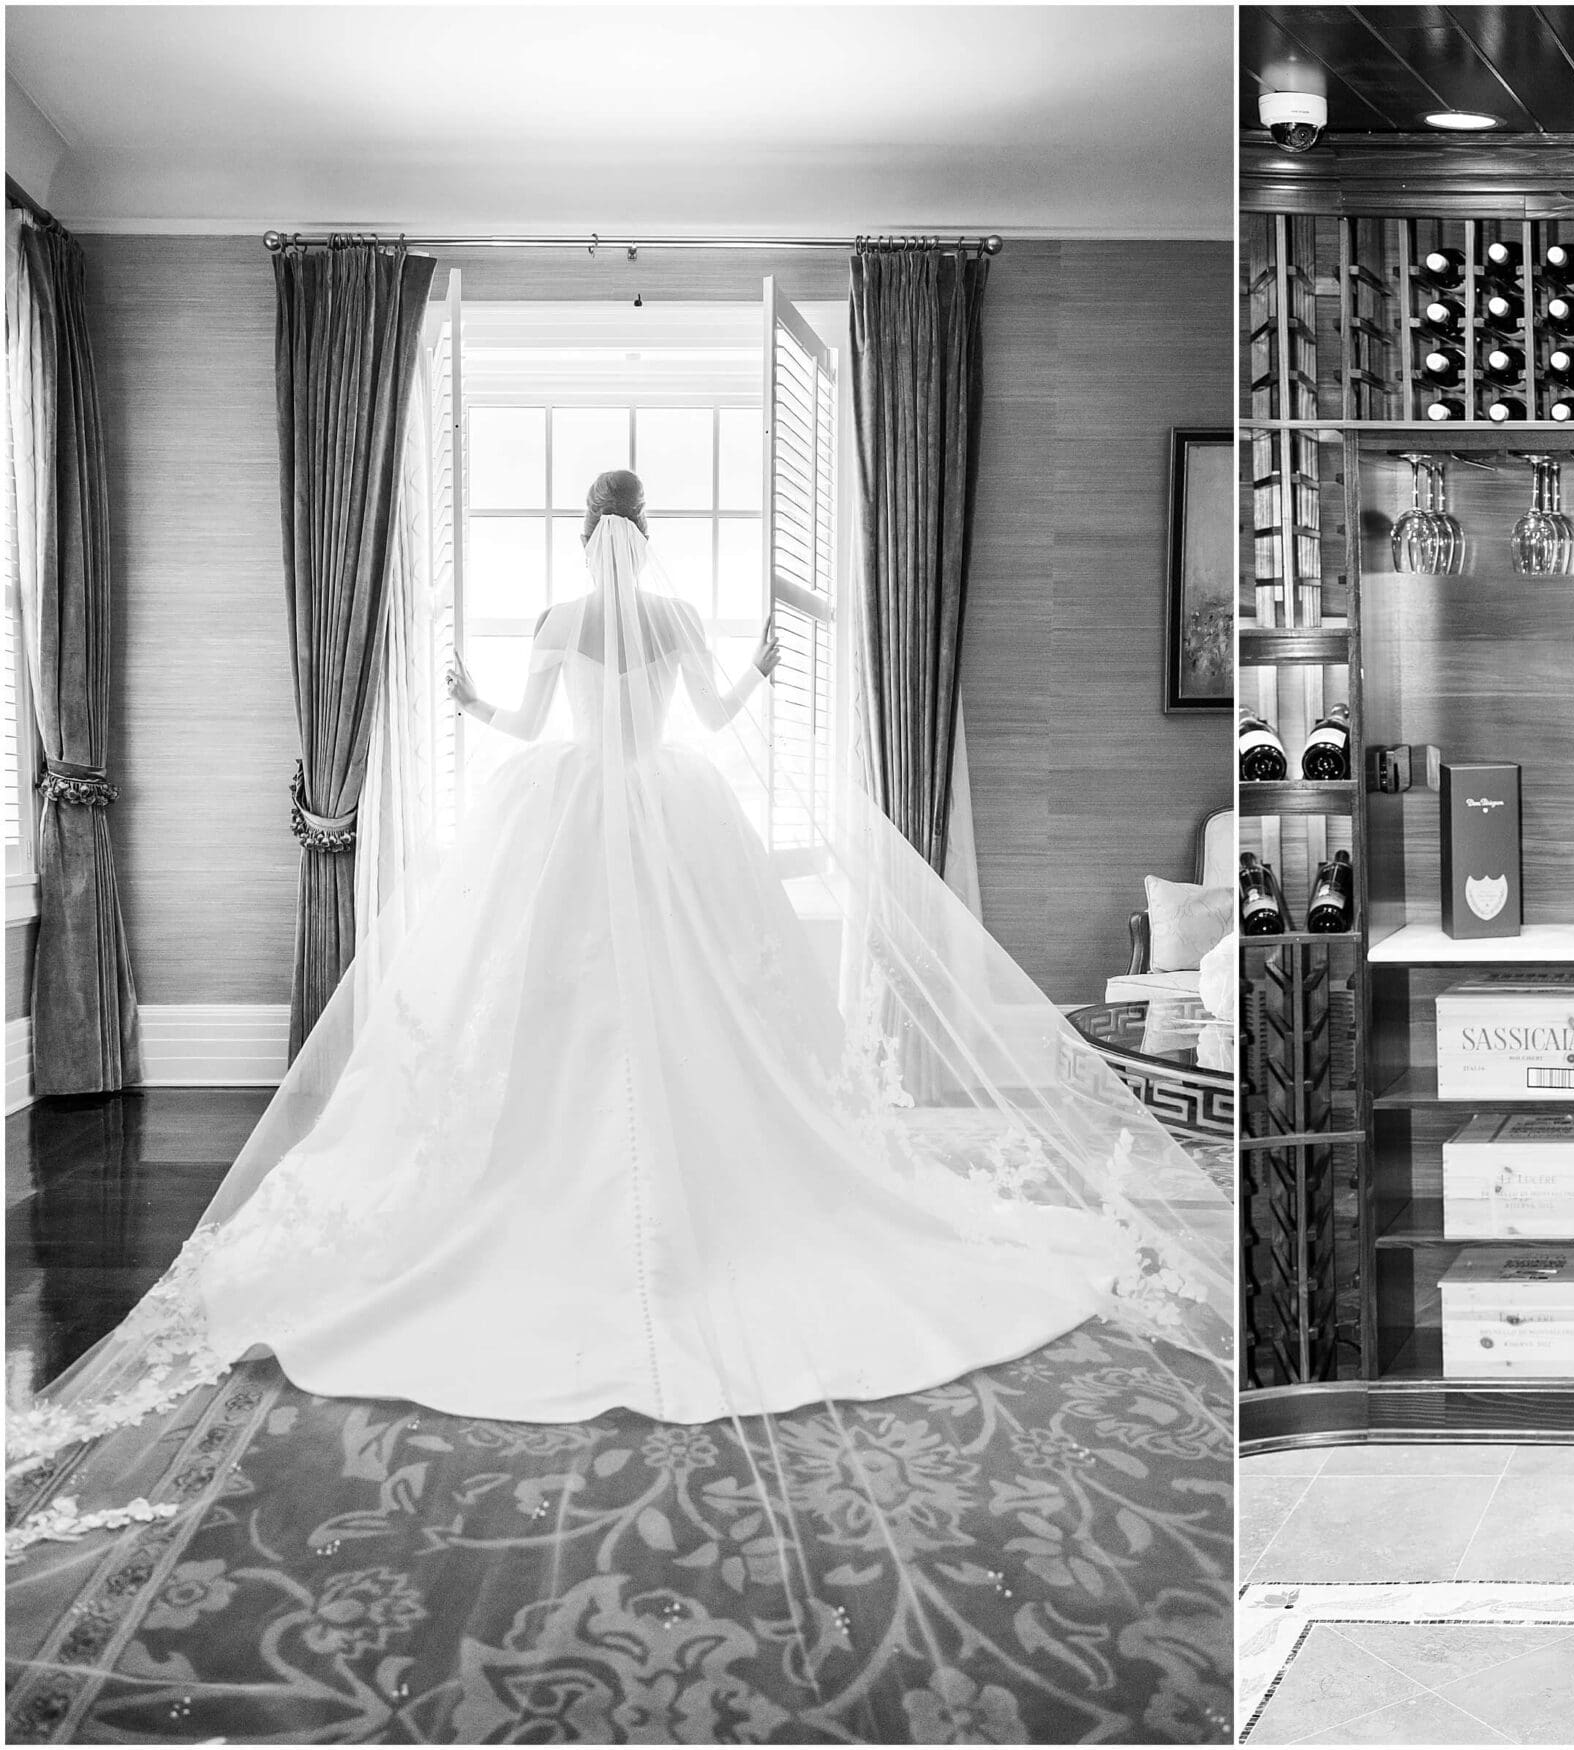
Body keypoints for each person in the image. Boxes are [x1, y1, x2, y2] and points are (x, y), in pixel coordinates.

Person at [7, 470, 1233, 1739]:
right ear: (642, 531)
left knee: (541, 1009)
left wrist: (474, 698)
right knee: (709, 1011)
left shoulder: (553, 620)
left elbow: (529, 724)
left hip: (569, 819)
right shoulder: (677, 622)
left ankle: (530, 1181)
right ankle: (728, 1184)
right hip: (671, 818)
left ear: (582, 531)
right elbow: (705, 714)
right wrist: (756, 667)